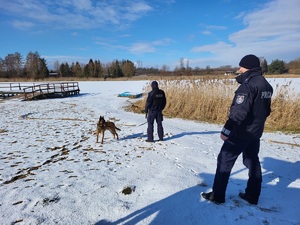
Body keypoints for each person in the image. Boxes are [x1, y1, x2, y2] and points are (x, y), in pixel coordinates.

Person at [202, 54, 273, 205]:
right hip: (255, 133)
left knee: (224, 161)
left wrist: (227, 130)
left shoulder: (248, 86)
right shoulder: (266, 85)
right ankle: (252, 195)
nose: (239, 69)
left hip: (241, 132)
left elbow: (239, 112)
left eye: (241, 66)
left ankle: (217, 195)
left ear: (248, 67)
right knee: (252, 161)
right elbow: (267, 111)